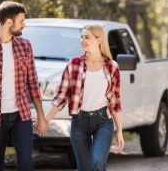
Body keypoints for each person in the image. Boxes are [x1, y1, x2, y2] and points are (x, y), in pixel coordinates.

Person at [0, 1, 48, 171]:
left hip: (21, 114)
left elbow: (33, 82)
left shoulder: (25, 46)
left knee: (27, 159)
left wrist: (41, 116)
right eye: (21, 21)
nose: (24, 25)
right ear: (8, 22)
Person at [39, 24, 124, 171]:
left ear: (98, 40)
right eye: (81, 36)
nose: (82, 40)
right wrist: (46, 120)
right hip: (80, 121)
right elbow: (61, 96)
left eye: (87, 37)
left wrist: (120, 131)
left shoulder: (112, 67)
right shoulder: (74, 65)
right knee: (84, 168)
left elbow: (115, 102)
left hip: (103, 121)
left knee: (98, 163)